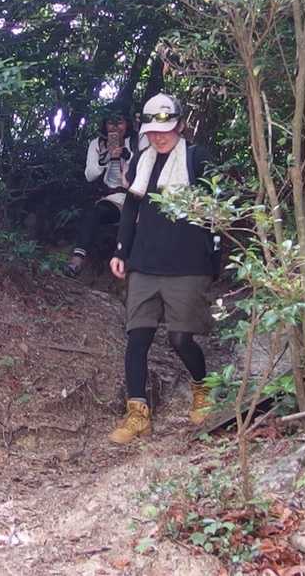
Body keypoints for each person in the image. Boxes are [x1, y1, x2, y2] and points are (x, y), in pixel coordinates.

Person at [107, 93, 219, 443]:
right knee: (137, 337)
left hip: (187, 263)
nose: (159, 136)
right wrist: (121, 250)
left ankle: (202, 389)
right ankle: (137, 414)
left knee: (180, 338)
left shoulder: (197, 159)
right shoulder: (143, 160)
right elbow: (131, 207)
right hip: (145, 260)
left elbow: (217, 211)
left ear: (180, 126)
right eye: (153, 130)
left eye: (166, 129)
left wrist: (213, 260)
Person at [64, 110, 135, 277]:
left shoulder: (137, 141)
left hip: (136, 197)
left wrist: (127, 156)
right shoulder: (97, 144)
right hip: (112, 199)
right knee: (93, 213)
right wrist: (106, 157)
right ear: (105, 125)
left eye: (120, 123)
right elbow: (90, 175)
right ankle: (77, 260)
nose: (115, 128)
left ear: (127, 124)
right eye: (111, 123)